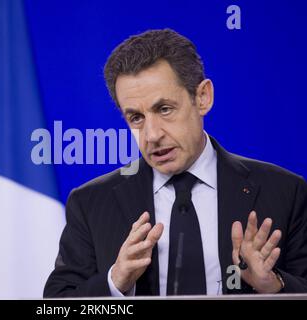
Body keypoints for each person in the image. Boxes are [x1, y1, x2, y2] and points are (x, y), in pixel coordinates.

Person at [44, 29, 307, 297]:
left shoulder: (286, 191)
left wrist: (274, 286)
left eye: (164, 109)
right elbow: (59, 303)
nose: (152, 135)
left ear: (203, 97)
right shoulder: (90, 203)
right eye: (136, 117)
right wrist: (116, 281)